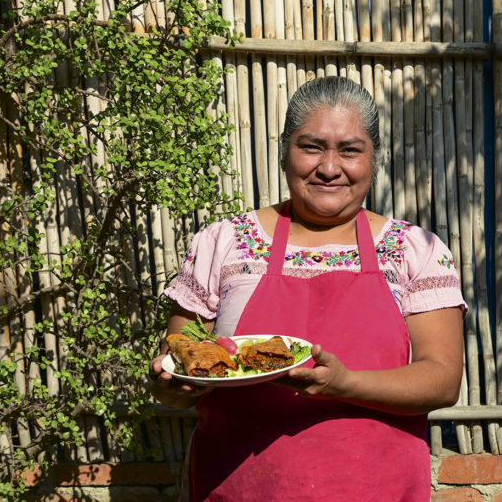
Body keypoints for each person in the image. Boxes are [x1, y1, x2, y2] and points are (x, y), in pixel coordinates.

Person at [149, 76, 466, 501]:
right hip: (240, 488)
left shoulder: (414, 250)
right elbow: (178, 363)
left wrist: (344, 384)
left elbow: (443, 380)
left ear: (374, 159)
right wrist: (172, 386)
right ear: (285, 152)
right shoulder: (224, 242)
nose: (330, 167)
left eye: (350, 150)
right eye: (311, 146)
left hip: (377, 488)